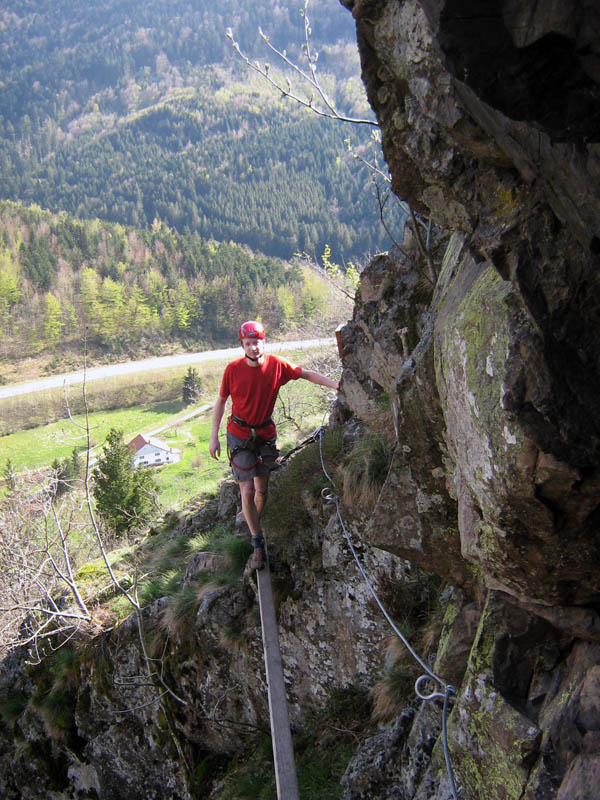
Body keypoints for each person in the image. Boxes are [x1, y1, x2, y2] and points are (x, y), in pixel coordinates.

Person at [209, 320, 339, 572]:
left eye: (256, 342)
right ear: (242, 346)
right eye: (248, 344)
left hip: (265, 434)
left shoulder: (278, 365)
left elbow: (306, 374)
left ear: (263, 342)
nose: (253, 348)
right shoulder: (232, 370)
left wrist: (335, 384)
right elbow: (222, 401)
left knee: (262, 490)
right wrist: (213, 436)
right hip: (239, 434)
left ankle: (252, 522)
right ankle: (257, 541)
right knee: (246, 491)